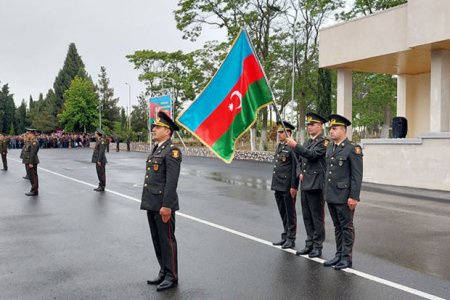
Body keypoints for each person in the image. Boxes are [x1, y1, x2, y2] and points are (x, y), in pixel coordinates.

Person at [141, 111, 182, 292]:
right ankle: (163, 271)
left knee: (167, 240)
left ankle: (172, 275)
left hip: (163, 205)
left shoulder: (172, 151)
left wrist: (166, 206)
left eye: (158, 127)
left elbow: (171, 182)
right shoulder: (157, 149)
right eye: (154, 126)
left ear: (168, 131)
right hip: (152, 202)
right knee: (157, 240)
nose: (154, 129)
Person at [323, 114, 363, 270]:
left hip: (345, 196)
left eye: (334, 128)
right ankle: (338, 254)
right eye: (330, 129)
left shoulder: (353, 149)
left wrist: (354, 196)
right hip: (332, 194)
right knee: (337, 226)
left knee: (346, 227)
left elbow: (357, 176)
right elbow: (329, 172)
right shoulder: (331, 147)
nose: (331, 131)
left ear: (343, 130)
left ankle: (347, 258)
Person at [286, 112, 328, 258]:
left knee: (317, 217)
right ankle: (309, 243)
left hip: (316, 184)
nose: (309, 127)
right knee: (307, 216)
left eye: (313, 124)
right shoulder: (308, 142)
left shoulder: (324, 142)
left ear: (321, 126)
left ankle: (318, 245)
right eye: (308, 124)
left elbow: (312, 155)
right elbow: (299, 161)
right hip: (305, 183)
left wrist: (295, 145)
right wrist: (299, 173)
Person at [271, 121, 299, 250]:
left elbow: (295, 168)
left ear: (289, 133)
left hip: (287, 185)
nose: (279, 134)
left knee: (290, 212)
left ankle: (291, 238)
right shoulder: (280, 146)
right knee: (283, 212)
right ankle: (285, 235)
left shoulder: (292, 147)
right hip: (278, 184)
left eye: (282, 132)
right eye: (279, 132)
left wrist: (294, 186)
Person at [22, 128, 40, 196]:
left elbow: (33, 153)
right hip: (29, 160)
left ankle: (34, 191)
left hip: (31, 161)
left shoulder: (34, 142)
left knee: (33, 177)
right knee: (31, 176)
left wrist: (31, 163)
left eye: (28, 133)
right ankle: (34, 189)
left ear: (31, 134)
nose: (27, 135)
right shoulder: (31, 141)